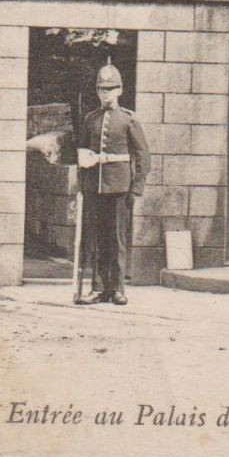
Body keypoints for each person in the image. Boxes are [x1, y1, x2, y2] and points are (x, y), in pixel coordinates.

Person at [75, 61, 151, 306]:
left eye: (110, 88)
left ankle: (117, 289)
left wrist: (136, 187)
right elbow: (83, 154)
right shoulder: (90, 119)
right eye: (101, 89)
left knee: (117, 239)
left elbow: (143, 157)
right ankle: (98, 288)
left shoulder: (129, 120)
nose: (105, 93)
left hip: (120, 188)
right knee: (96, 238)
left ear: (119, 90)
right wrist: (82, 185)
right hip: (94, 188)